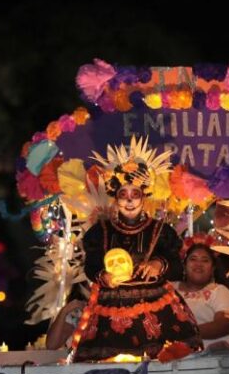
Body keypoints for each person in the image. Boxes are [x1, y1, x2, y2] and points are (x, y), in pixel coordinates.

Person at [70, 139, 203, 361]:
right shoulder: (100, 232)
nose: (130, 201)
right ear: (115, 197)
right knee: (111, 366)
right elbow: (91, 266)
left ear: (144, 197)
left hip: (157, 309)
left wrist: (159, 264)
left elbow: (178, 267)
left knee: (164, 362)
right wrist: (103, 276)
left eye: (135, 195)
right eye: (124, 194)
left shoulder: (161, 231)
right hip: (112, 308)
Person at [173, 234, 229, 346]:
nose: (198, 264)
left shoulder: (220, 291)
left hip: (216, 354)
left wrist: (182, 334)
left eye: (205, 260)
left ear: (213, 268)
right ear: (184, 265)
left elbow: (224, 325)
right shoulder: (169, 288)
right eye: (193, 259)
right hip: (175, 354)